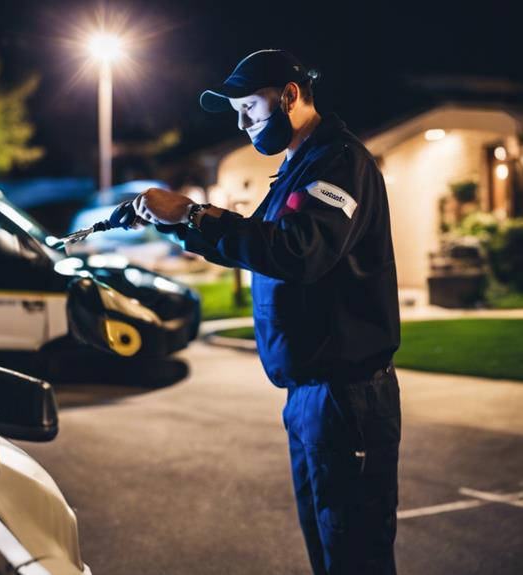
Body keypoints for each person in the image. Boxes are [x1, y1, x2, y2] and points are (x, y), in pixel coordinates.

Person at [131, 49, 402, 574]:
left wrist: (194, 212)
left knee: (355, 556)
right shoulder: (296, 169)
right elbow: (259, 244)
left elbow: (299, 250)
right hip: (310, 397)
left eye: (250, 107)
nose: (242, 121)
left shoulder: (339, 162)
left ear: (291, 96)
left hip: (347, 399)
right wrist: (179, 223)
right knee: (328, 551)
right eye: (235, 112)